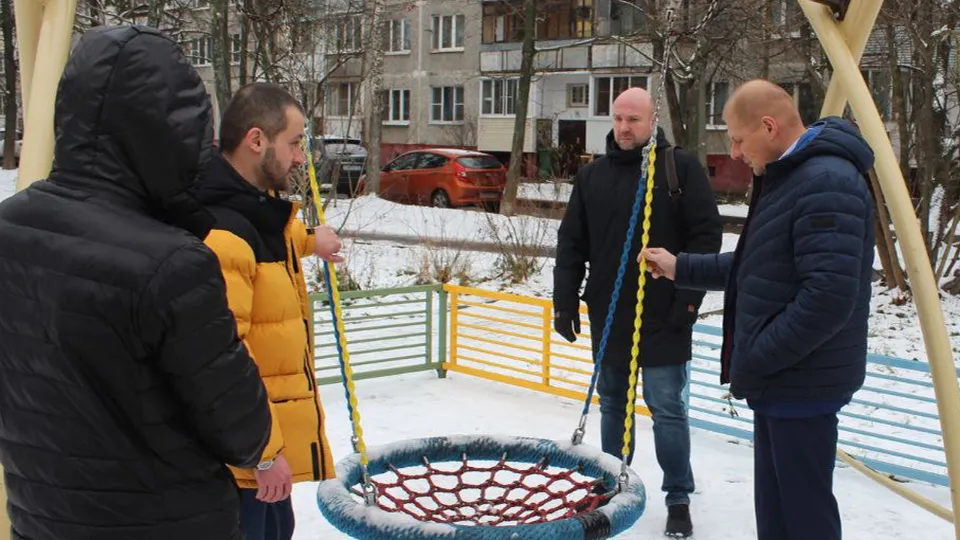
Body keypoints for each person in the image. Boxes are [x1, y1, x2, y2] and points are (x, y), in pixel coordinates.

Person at [0, 26, 273, 540]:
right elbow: (243, 429)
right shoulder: (172, 265)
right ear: (172, 131)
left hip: (41, 516)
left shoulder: (9, 229)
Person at [642, 79, 876, 540]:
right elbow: (758, 266)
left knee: (803, 516)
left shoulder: (826, 181)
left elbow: (827, 299)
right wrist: (678, 266)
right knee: (777, 513)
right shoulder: (791, 177)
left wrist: (759, 355)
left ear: (768, 127)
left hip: (801, 381)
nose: (732, 152)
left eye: (737, 137)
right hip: (782, 380)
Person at [553, 87, 723, 538]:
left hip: (665, 313)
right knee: (613, 403)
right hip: (610, 312)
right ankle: (612, 484)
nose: (625, 128)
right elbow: (572, 243)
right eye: (618, 119)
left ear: (653, 121)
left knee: (667, 407)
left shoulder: (678, 169)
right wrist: (565, 300)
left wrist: (688, 301)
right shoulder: (593, 177)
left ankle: (678, 496)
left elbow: (706, 237)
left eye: (634, 120)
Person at [192, 82, 343, 540]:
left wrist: (308, 241)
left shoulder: (253, 211)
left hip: (259, 460)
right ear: (256, 141)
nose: (301, 158)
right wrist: (261, 452)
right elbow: (219, 357)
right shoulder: (223, 233)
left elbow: (266, 239)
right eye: (294, 143)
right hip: (245, 467)